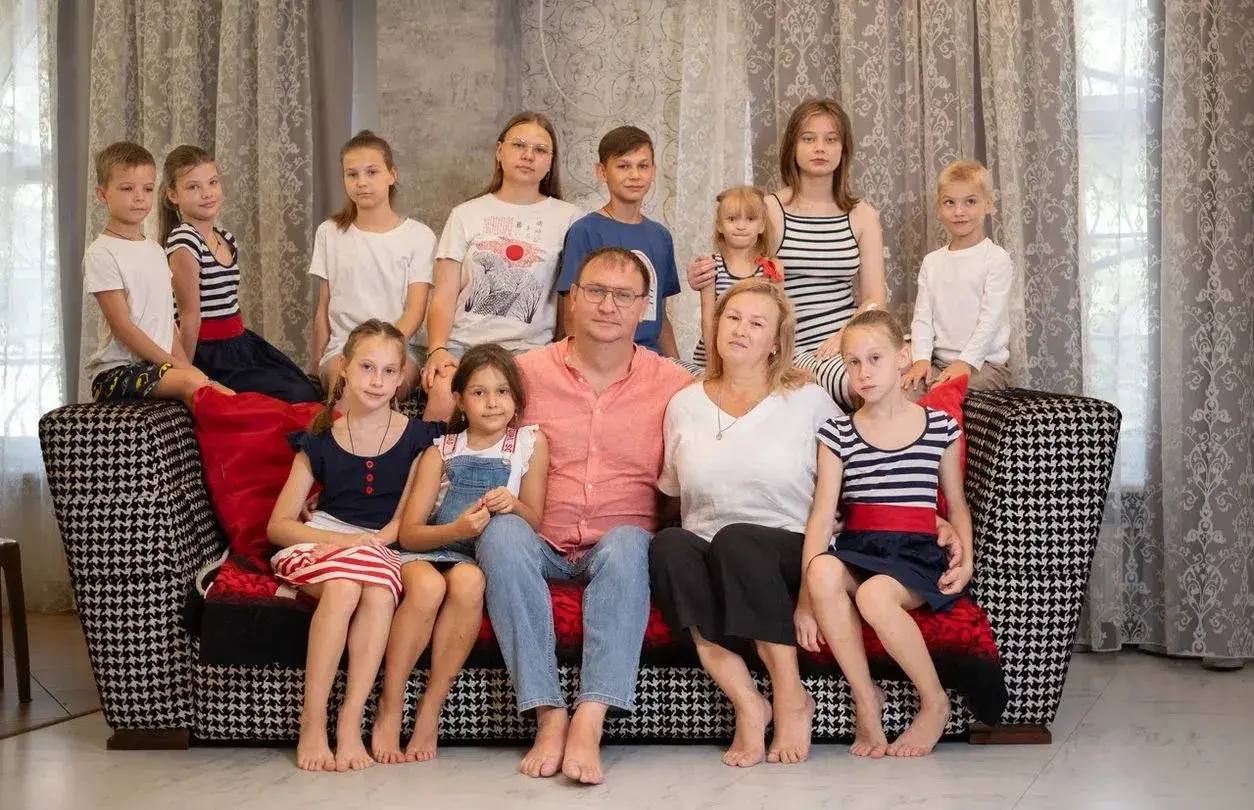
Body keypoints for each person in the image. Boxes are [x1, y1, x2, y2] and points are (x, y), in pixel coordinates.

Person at [475, 247, 691, 785]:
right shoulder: (523, 373)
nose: (608, 305)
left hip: (621, 544)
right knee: (502, 535)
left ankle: (590, 717)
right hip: (539, 537)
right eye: (595, 291)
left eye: (623, 295)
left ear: (644, 307)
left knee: (628, 543)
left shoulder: (675, 385)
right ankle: (548, 713)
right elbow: (470, 422)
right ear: (572, 298)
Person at [650, 279, 835, 767]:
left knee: (737, 541)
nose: (740, 330)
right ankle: (749, 703)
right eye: (732, 318)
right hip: (712, 552)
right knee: (668, 545)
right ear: (715, 328)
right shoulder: (684, 404)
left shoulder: (809, 401)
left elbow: (852, 480)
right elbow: (670, 493)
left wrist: (935, 519)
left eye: (756, 323)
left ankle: (791, 698)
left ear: (776, 341)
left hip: (789, 550)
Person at [266, 320, 447, 772]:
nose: (377, 380)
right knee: (345, 586)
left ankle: (350, 723)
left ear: (401, 378)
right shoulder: (319, 440)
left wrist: (370, 542)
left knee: (379, 592)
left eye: (389, 371)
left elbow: (404, 520)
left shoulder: (421, 439)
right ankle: (312, 723)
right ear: (344, 368)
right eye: (367, 367)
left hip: (380, 546)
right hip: (323, 539)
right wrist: (340, 541)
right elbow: (279, 526)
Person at [797, 309, 975, 759]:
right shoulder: (837, 432)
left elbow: (956, 505)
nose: (864, 372)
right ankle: (865, 699)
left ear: (902, 357)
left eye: (875, 358)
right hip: (860, 547)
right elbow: (821, 516)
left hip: (915, 554)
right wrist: (805, 601)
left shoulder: (939, 427)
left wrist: (967, 560)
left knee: (875, 594)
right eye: (853, 362)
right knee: (822, 572)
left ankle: (934, 702)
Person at [371, 344, 549, 765]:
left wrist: (513, 504)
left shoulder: (529, 443)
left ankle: (431, 706)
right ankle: (390, 704)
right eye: (479, 393)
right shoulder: (441, 451)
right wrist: (456, 530)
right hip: (430, 550)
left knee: (470, 583)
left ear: (517, 398)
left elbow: (535, 520)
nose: (492, 402)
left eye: (502, 392)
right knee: (427, 588)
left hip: (476, 558)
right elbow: (411, 533)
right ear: (460, 400)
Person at [687, 98, 885, 410]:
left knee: (897, 373)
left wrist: (847, 334)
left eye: (831, 140)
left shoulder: (863, 215)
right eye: (808, 139)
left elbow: (874, 297)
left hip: (846, 339)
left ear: (844, 149)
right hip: (789, 345)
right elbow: (735, 269)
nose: (820, 148)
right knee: (857, 381)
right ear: (792, 146)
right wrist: (701, 274)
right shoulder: (769, 209)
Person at [421, 112, 583, 392]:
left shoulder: (570, 218)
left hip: (530, 352)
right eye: (518, 145)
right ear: (499, 151)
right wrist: (437, 349)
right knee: (443, 393)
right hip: (464, 347)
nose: (528, 155)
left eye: (540, 150)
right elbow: (444, 293)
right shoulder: (465, 214)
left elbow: (571, 298)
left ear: (550, 162)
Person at [159, 144, 320, 402]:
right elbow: (189, 319)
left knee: (305, 389)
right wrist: (186, 377)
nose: (207, 193)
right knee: (294, 396)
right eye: (193, 187)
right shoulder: (184, 241)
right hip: (209, 352)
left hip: (239, 343)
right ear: (173, 195)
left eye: (212, 182)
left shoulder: (226, 238)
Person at [83, 141, 228, 405]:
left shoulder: (156, 250)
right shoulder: (101, 252)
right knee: (196, 384)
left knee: (222, 391)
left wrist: (187, 366)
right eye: (127, 189)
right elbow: (123, 327)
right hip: (118, 372)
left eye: (148, 188)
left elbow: (166, 322)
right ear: (102, 195)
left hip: (159, 367)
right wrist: (180, 368)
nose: (139, 197)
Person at [310, 130, 437, 400]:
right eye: (352, 174)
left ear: (392, 175)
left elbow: (415, 310)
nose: (361, 182)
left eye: (372, 172)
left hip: (399, 348)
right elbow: (324, 307)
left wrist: (383, 351)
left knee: (383, 388)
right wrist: (315, 364)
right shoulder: (329, 232)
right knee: (349, 392)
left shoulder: (419, 236)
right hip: (343, 348)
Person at [555, 125, 681, 356]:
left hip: (650, 360)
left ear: (653, 171)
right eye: (623, 166)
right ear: (602, 172)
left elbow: (660, 318)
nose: (635, 175)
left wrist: (678, 368)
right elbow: (572, 316)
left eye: (643, 166)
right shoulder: (585, 231)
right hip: (602, 357)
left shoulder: (661, 236)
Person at [902, 159, 1014, 395]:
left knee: (941, 394)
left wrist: (966, 362)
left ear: (988, 205)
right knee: (901, 392)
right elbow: (922, 318)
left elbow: (990, 322)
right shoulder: (932, 262)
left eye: (970, 202)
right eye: (949, 202)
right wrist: (921, 359)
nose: (959, 212)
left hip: (984, 366)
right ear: (939, 207)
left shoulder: (996, 259)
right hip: (938, 363)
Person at [690, 186, 784, 367]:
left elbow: (776, 318)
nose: (741, 226)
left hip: (755, 357)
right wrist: (714, 364)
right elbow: (708, 319)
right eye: (732, 219)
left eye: (750, 219)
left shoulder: (772, 267)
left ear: (762, 225)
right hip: (714, 356)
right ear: (720, 225)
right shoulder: (711, 265)